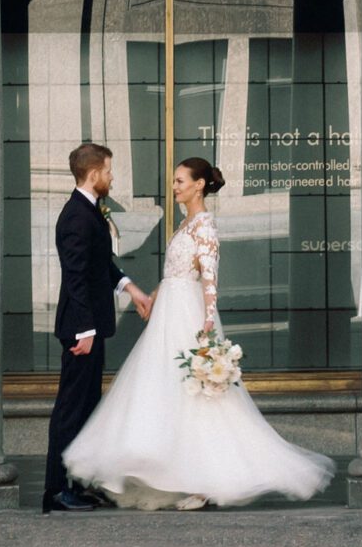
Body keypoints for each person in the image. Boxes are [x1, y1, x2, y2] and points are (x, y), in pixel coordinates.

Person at [63, 156, 335, 511]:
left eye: (180, 181)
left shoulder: (204, 226)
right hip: (168, 314)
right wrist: (151, 296)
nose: (174, 186)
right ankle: (172, 472)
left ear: (199, 185)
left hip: (188, 318)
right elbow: (176, 271)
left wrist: (207, 327)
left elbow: (209, 280)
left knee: (198, 398)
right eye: (174, 180)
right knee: (164, 393)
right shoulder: (186, 223)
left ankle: (206, 481)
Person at [42, 141, 153, 514]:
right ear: (93, 175)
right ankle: (57, 491)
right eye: (108, 170)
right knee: (71, 410)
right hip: (81, 330)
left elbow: (100, 265)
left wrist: (132, 289)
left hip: (90, 328)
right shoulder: (75, 216)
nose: (111, 176)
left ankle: (79, 483)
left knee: (88, 407)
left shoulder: (88, 211)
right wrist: (85, 330)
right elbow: (75, 278)